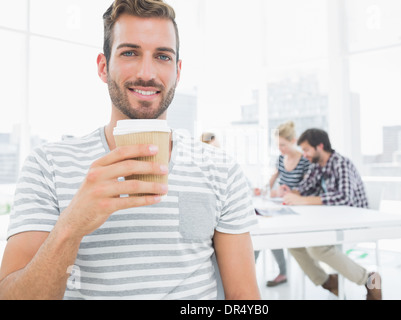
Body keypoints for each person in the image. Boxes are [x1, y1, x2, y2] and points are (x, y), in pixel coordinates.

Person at [0, 0, 260, 300]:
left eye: (162, 56)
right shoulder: (48, 166)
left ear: (177, 71)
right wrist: (72, 224)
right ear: (102, 66)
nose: (147, 72)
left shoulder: (221, 170)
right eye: (129, 53)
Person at [282, 128, 382, 300]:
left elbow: (345, 198)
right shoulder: (317, 166)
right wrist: (292, 192)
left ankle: (369, 278)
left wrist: (304, 200)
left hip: (353, 220)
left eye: (306, 150)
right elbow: (305, 189)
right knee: (292, 241)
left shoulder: (341, 163)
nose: (304, 154)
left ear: (319, 146)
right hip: (330, 219)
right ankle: (328, 281)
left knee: (317, 247)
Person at [254, 122, 310, 287]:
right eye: (278, 145)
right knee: (263, 233)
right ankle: (259, 272)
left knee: (268, 235)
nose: (280, 149)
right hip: (282, 207)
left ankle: (251, 273)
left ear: (293, 140)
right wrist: (267, 191)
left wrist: (291, 192)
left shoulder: (305, 160)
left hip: (299, 210)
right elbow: (269, 185)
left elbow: (309, 188)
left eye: (283, 145)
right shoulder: (280, 159)